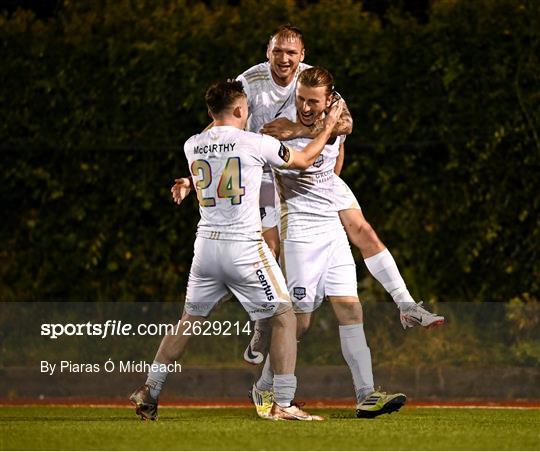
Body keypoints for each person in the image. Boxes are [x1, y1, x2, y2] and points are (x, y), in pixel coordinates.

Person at [173, 25, 444, 338]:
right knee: (270, 249)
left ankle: (406, 304)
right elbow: (220, 127)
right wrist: (193, 175)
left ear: (302, 55)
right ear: (267, 52)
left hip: (314, 173)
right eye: (277, 51)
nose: (284, 58)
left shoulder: (312, 79)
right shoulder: (250, 81)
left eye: (291, 52)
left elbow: (345, 122)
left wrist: (297, 131)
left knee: (363, 230)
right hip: (267, 172)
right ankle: (264, 324)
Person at [129, 80, 343, 422]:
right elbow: (303, 159)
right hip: (242, 246)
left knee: (188, 322)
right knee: (286, 317)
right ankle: (283, 402)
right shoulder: (255, 143)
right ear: (241, 110)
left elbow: (215, 165)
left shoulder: (192, 145)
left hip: (206, 249)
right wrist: (330, 125)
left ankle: (150, 390)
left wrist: (188, 181)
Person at [249, 66, 407, 419]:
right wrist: (305, 128)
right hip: (299, 226)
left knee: (351, 308)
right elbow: (300, 158)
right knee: (299, 322)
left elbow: (346, 125)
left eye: (313, 101)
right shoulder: (278, 126)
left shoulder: (334, 115)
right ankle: (264, 387)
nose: (305, 106)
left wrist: (317, 125)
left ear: (328, 100)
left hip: (331, 225)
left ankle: (366, 394)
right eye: (301, 100)